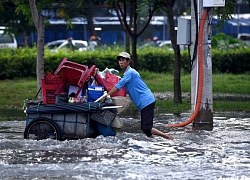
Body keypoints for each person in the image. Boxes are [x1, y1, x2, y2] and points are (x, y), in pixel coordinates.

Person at [105, 52, 174, 140]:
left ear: (128, 61)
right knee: (146, 129)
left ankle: (167, 137)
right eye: (120, 61)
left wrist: (107, 94)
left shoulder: (130, 73)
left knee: (146, 127)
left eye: (123, 60)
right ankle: (154, 141)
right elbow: (123, 90)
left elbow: (119, 86)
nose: (121, 62)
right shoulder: (126, 74)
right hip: (144, 102)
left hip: (146, 101)